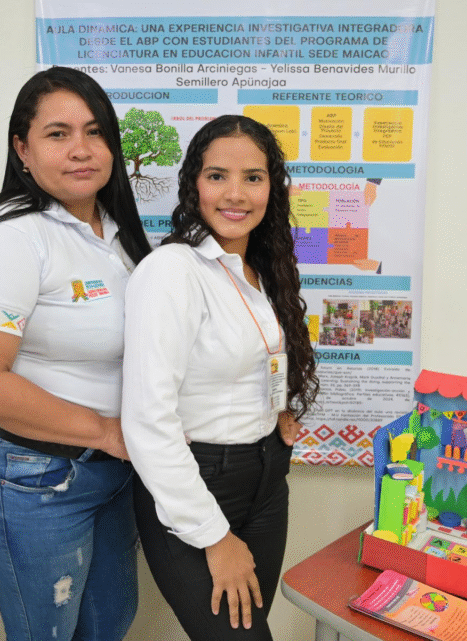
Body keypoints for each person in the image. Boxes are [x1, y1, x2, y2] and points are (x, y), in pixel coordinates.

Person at [0, 67, 151, 641]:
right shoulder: (12, 238)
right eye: (58, 134)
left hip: (111, 469)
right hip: (31, 474)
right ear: (22, 149)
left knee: (108, 623)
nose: (81, 150)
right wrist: (106, 431)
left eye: (94, 131)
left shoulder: (117, 231)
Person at [121, 114, 320, 640]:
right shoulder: (172, 271)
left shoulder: (260, 268)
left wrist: (274, 410)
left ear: (272, 187)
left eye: (253, 177)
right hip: (198, 486)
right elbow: (147, 419)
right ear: (194, 185)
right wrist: (214, 537)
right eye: (217, 176)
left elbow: (251, 359)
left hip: (265, 481)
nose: (236, 194)